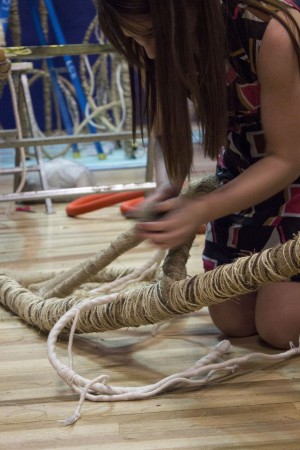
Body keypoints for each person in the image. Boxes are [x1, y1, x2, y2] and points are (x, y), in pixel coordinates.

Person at [96, 0, 300, 350]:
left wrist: (199, 210)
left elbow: (287, 158)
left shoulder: (273, 30)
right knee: (233, 320)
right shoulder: (164, 44)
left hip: (290, 170)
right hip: (242, 171)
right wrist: (167, 187)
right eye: (135, 38)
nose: (150, 52)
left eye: (150, 35)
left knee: (281, 327)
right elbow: (167, 134)